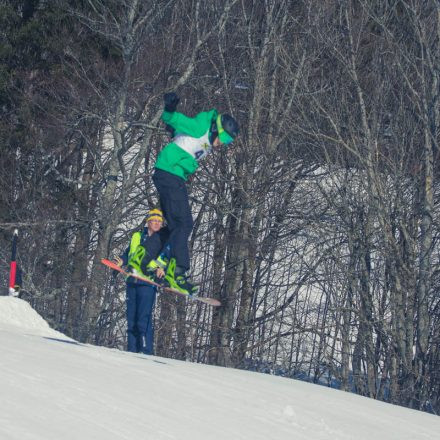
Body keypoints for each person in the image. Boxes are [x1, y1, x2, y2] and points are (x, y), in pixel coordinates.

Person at [152, 92, 239, 295]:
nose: (223, 145)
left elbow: (177, 132)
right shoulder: (201, 127)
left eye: (228, 143)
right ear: (217, 129)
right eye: (224, 139)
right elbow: (173, 119)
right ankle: (178, 272)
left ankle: (144, 257)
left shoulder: (209, 139)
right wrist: (170, 108)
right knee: (184, 224)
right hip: (170, 172)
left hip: (171, 174)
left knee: (175, 226)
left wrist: (173, 130)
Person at [115, 208, 168, 355]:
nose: (157, 223)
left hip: (147, 282)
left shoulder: (162, 241)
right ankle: (132, 350)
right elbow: (128, 253)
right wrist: (121, 261)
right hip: (132, 280)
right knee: (131, 319)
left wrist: (161, 270)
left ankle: (145, 351)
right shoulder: (137, 236)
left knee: (142, 320)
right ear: (148, 222)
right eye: (154, 221)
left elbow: (166, 260)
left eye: (159, 221)